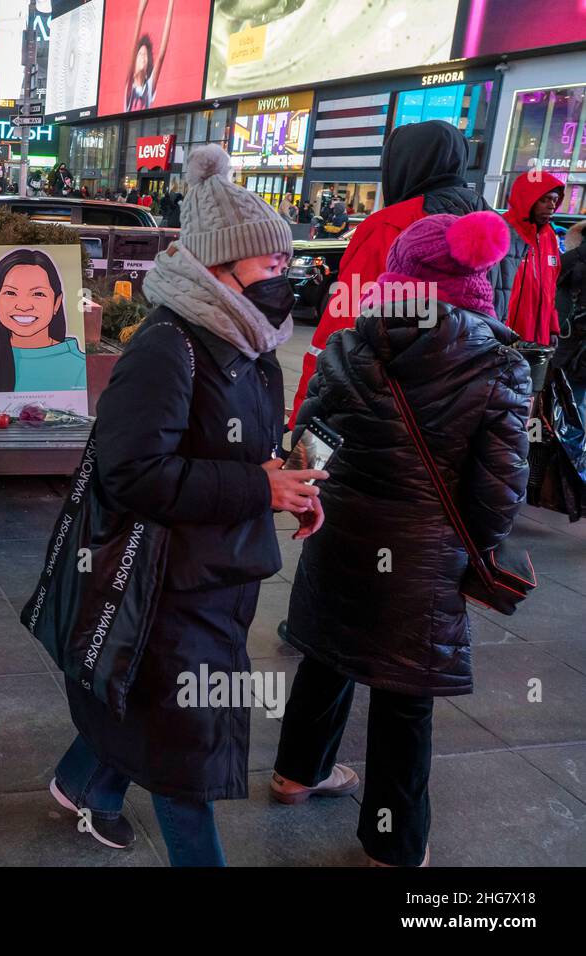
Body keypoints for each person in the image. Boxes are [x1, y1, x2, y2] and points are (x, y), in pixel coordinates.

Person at [50, 144, 319, 861]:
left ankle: (88, 785)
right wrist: (256, 487)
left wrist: (280, 485)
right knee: (189, 748)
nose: (283, 278)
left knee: (157, 711)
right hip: (168, 583)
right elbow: (133, 472)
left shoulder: (248, 340)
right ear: (220, 267)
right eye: (270, 264)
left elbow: (230, 452)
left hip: (219, 570)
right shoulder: (168, 346)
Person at [274, 211, 530, 867]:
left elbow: (309, 443)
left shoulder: (349, 342)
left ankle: (296, 774)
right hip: (423, 554)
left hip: (339, 535)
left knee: (327, 654)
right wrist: (473, 550)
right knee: (404, 695)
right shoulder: (497, 364)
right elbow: (499, 488)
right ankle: (390, 844)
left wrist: (315, 508)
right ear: (477, 281)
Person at [289, 120, 494, 427]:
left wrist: (303, 417)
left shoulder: (389, 225)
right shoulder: (492, 228)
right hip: (467, 408)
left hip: (385, 411)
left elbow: (341, 330)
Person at [0, 247, 86, 395]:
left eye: (38, 293)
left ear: (56, 303)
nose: (23, 306)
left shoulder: (79, 366)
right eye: (10, 293)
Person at [496, 170, 565, 347]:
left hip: (538, 338)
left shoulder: (549, 236)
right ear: (528, 200)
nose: (551, 205)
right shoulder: (500, 230)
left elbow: (550, 288)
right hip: (505, 337)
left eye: (554, 200)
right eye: (545, 199)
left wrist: (552, 327)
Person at [552, 220, 586, 418]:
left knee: (571, 400)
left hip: (571, 344)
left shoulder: (571, 260)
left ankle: (570, 446)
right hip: (575, 343)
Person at [124, 0, 174, 111]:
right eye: (140, 54)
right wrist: (140, 13)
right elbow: (133, 51)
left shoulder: (149, 88)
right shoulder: (129, 88)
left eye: (145, 55)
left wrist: (171, 2)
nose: (143, 57)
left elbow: (161, 54)